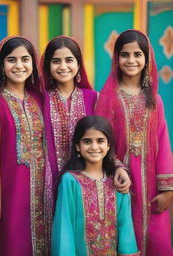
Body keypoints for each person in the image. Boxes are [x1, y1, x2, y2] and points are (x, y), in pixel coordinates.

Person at [0, 36, 52, 256]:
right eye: (12, 60)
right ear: (2, 66)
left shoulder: (41, 101)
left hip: (44, 201)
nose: (19, 65)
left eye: (25, 59)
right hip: (6, 203)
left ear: (33, 65)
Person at [95, 29, 173, 256]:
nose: (131, 60)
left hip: (151, 186)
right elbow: (100, 144)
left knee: (156, 240)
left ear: (147, 59)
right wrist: (118, 167)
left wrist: (168, 189)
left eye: (138, 55)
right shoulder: (108, 98)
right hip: (118, 182)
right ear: (116, 59)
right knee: (124, 239)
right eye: (125, 55)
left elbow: (163, 142)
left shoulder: (155, 100)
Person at [41, 36, 130, 193]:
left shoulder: (94, 99)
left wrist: (119, 167)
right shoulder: (40, 101)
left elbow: (107, 140)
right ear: (48, 66)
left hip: (87, 183)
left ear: (78, 64)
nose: (63, 66)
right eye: (56, 61)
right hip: (44, 185)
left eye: (69, 60)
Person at [52, 115, 140, 256]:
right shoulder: (70, 181)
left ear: (108, 145)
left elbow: (126, 227)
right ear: (78, 147)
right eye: (87, 141)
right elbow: (64, 227)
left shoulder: (117, 182)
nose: (94, 147)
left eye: (100, 141)